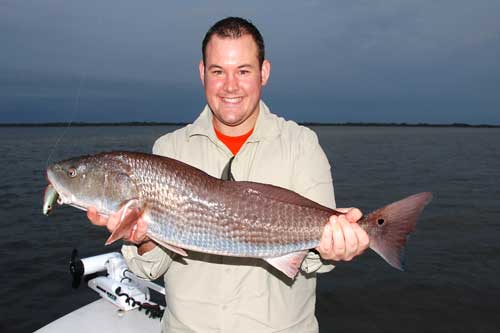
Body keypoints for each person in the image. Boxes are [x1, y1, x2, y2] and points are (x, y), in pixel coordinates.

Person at [88, 17, 369, 332]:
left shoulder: (300, 146)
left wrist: (331, 248)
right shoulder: (168, 149)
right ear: (202, 73)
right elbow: (150, 270)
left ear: (264, 73)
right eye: (218, 71)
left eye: (244, 71)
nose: (230, 86)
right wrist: (140, 240)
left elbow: (312, 262)